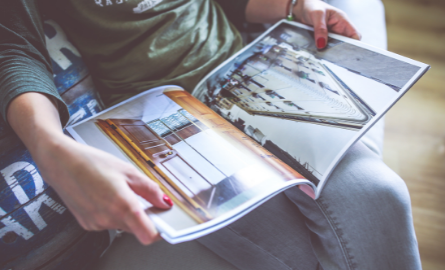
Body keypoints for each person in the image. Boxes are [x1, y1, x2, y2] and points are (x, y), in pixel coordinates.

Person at [0, 0, 421, 269]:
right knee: (290, 250)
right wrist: (50, 145)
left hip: (245, 68)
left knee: (383, 195)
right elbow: (14, 49)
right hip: (158, 114)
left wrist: (294, 5)